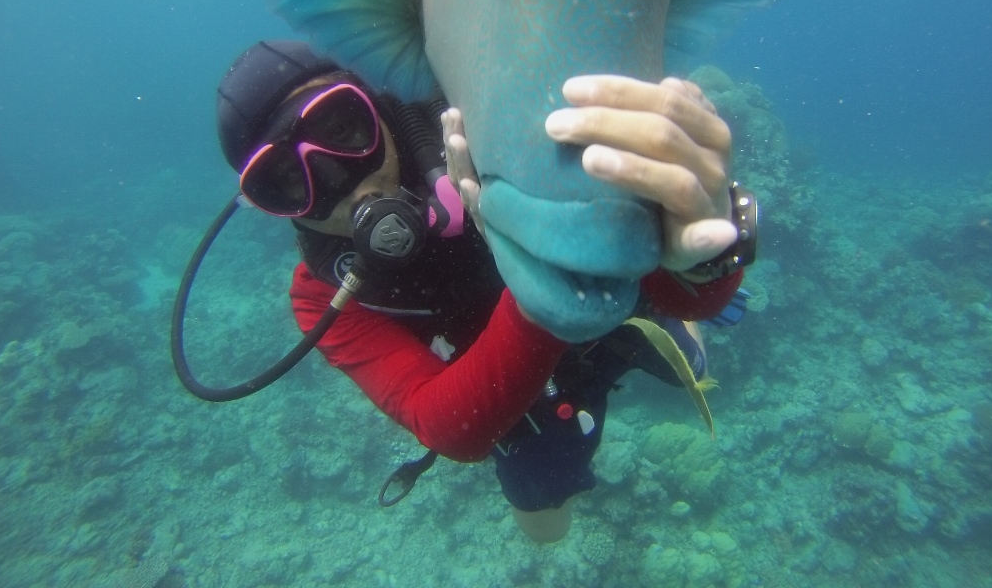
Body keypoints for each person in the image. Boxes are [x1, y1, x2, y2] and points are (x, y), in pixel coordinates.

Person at [215, 40, 748, 543]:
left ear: (375, 103)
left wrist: (704, 250)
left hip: (605, 304)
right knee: (546, 528)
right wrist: (541, 278)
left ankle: (650, 334)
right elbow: (446, 426)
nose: (339, 180)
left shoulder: (485, 122)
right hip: (509, 382)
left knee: (686, 352)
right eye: (286, 181)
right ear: (271, 207)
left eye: (341, 126)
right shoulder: (321, 296)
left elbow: (693, 290)